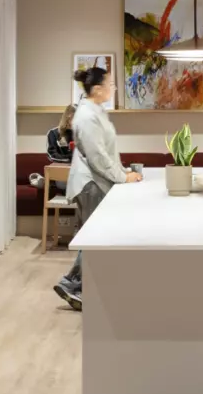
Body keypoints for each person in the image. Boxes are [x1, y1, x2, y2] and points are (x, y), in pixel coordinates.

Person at [53, 65, 140, 311]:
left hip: (98, 182)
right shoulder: (86, 116)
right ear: (98, 89)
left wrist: (123, 172)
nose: (114, 88)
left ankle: (79, 284)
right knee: (96, 237)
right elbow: (97, 157)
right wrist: (123, 178)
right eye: (110, 84)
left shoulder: (96, 112)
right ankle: (72, 283)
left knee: (98, 236)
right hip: (90, 184)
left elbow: (107, 152)